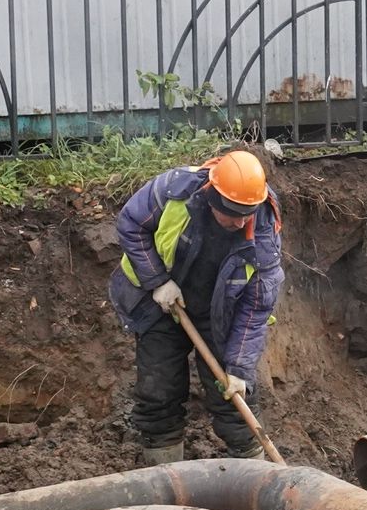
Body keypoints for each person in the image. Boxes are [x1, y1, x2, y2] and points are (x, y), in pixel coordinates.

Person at [109, 150, 284, 465]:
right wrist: (157, 281)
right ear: (213, 198)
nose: (241, 221)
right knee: (158, 391)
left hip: (220, 312)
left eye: (248, 212)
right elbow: (131, 224)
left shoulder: (263, 228)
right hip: (161, 303)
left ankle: (254, 476)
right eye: (232, 212)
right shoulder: (176, 190)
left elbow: (257, 304)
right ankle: (165, 477)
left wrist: (241, 368)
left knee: (234, 396)